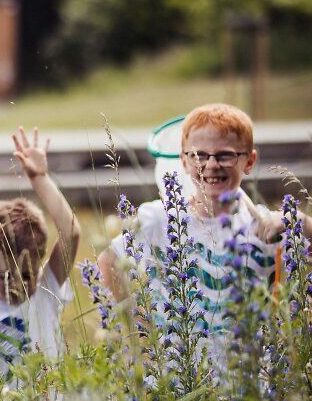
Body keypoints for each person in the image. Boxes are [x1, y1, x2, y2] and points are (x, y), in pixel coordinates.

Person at [97, 102, 312, 366]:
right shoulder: (160, 219)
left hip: (251, 386)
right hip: (177, 385)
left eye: (226, 155)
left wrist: (300, 221)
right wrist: (138, 330)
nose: (211, 165)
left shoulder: (267, 227)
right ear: (184, 161)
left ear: (249, 161)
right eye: (199, 155)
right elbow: (109, 261)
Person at [0, 128, 81, 381]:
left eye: (25, 274)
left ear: (40, 261)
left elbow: (71, 233)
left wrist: (40, 179)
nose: (14, 286)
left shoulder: (46, 292)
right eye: (3, 276)